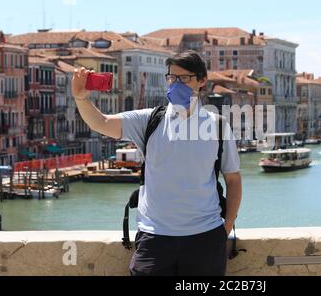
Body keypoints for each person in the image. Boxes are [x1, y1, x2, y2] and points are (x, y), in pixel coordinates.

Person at [72, 50, 242, 276]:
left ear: (202, 81)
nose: (176, 83)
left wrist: (226, 226)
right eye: (172, 77)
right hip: (154, 238)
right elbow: (102, 123)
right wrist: (81, 98)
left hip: (206, 237)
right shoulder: (149, 121)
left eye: (184, 78)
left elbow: (233, 179)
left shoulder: (218, 126)